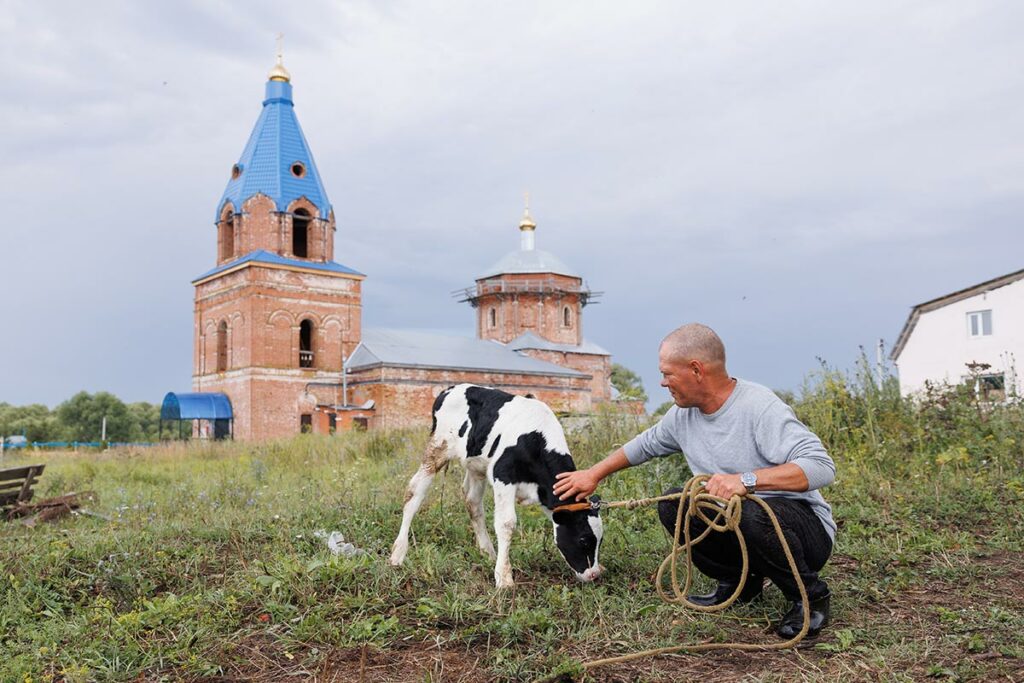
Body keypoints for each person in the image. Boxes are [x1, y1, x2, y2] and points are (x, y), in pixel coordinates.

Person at [553, 323, 836, 638]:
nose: (662, 383)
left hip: (804, 533)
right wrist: (593, 474)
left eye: (667, 374)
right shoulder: (682, 415)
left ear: (697, 370)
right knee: (676, 503)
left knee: (749, 510)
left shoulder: (759, 407)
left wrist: (746, 480)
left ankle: (809, 597)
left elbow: (821, 467)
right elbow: (643, 446)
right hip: (744, 525)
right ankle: (740, 584)